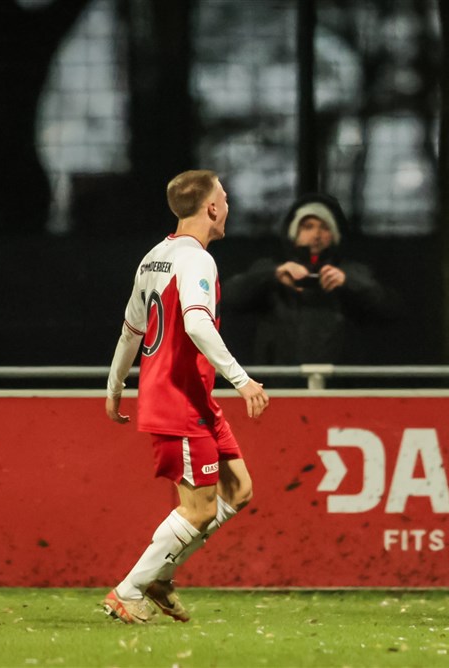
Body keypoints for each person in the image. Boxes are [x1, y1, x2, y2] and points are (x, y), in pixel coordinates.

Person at [103, 169, 270, 624]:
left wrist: (115, 387)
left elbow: (132, 329)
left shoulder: (155, 256)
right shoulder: (197, 260)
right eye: (226, 198)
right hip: (177, 398)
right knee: (197, 509)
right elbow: (197, 324)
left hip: (193, 399)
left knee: (240, 489)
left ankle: (159, 575)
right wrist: (243, 380)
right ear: (212, 208)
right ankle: (130, 589)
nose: (228, 205)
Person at [220, 193, 399, 365]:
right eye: (308, 226)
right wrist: (273, 275)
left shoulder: (355, 272)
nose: (316, 234)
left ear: (335, 235)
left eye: (324, 227)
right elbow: (228, 298)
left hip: (339, 384)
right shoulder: (271, 271)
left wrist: (349, 282)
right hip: (282, 382)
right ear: (294, 234)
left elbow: (390, 309)